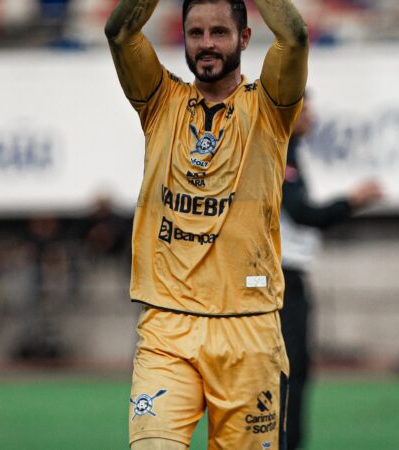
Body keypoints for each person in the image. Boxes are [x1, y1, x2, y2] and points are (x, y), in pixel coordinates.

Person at [105, 0, 308, 447]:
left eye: (219, 32)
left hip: (250, 328)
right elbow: (120, 33)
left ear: (245, 38)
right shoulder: (161, 100)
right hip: (167, 326)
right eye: (195, 34)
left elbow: (293, 35)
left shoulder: (271, 106)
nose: (207, 44)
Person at [279, 96, 382, 450]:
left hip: (284, 277)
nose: (313, 116)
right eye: (306, 109)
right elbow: (304, 213)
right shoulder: (280, 152)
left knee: (291, 369)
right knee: (288, 370)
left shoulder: (289, 153)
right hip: (280, 279)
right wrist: (352, 200)